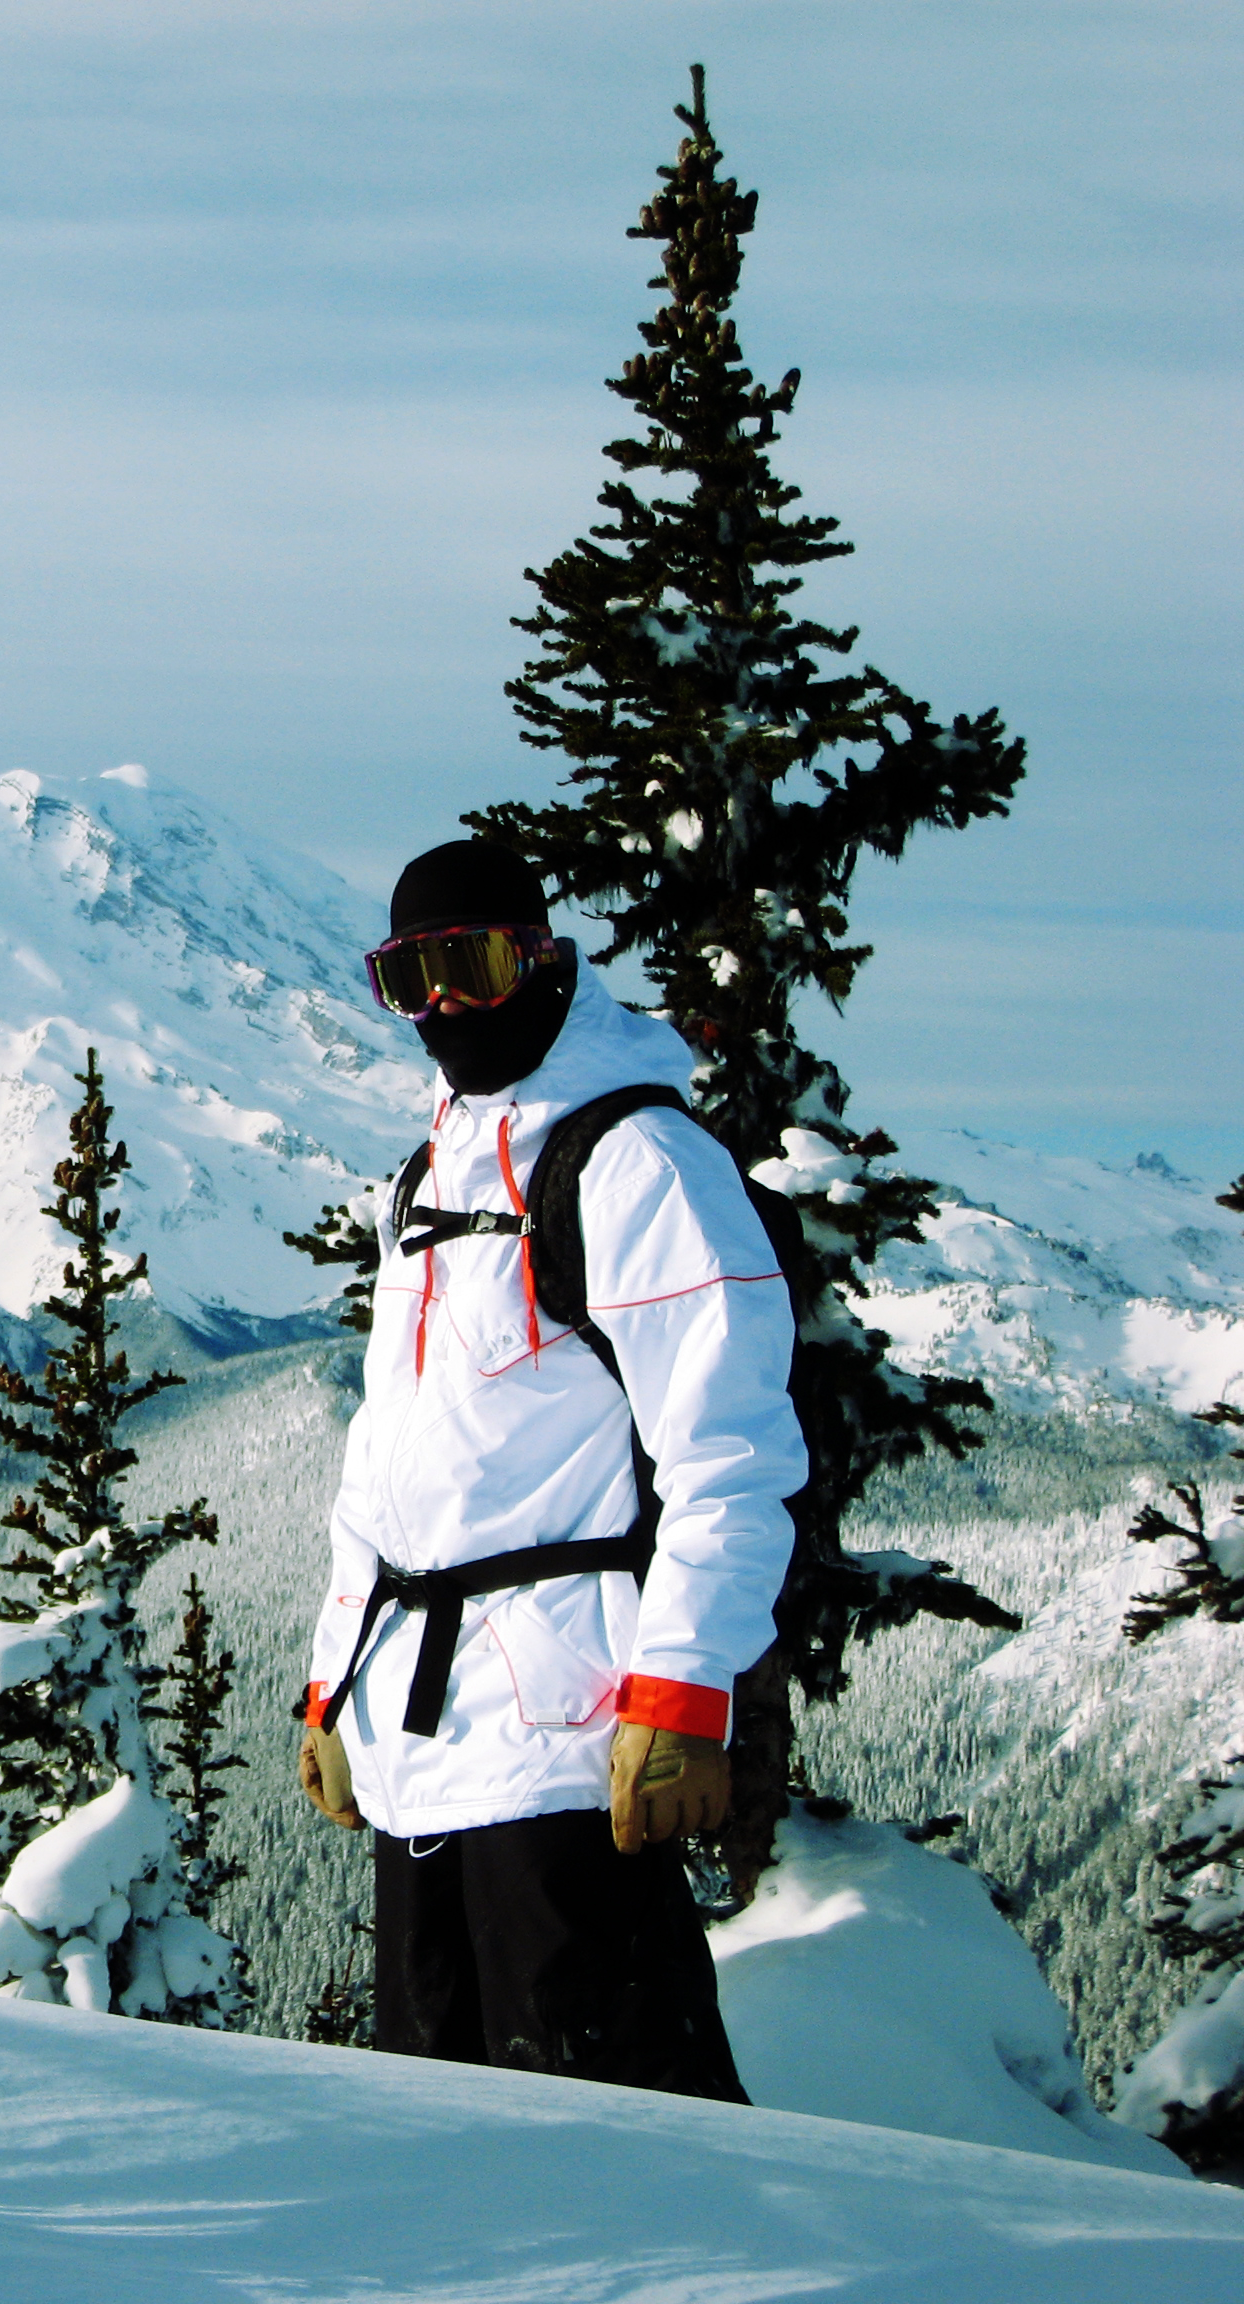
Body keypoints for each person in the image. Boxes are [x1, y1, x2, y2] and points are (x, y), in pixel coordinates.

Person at [297, 838, 803, 2098]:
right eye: (407, 981)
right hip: (420, 1739)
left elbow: (729, 1450)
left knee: (614, 2116)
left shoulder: (637, 1163)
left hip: (569, 1741)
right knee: (441, 2128)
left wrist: (684, 1694)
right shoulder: (426, 1180)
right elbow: (389, 1460)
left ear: (540, 957)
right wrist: (331, 1682)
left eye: (469, 966)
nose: (444, 1009)